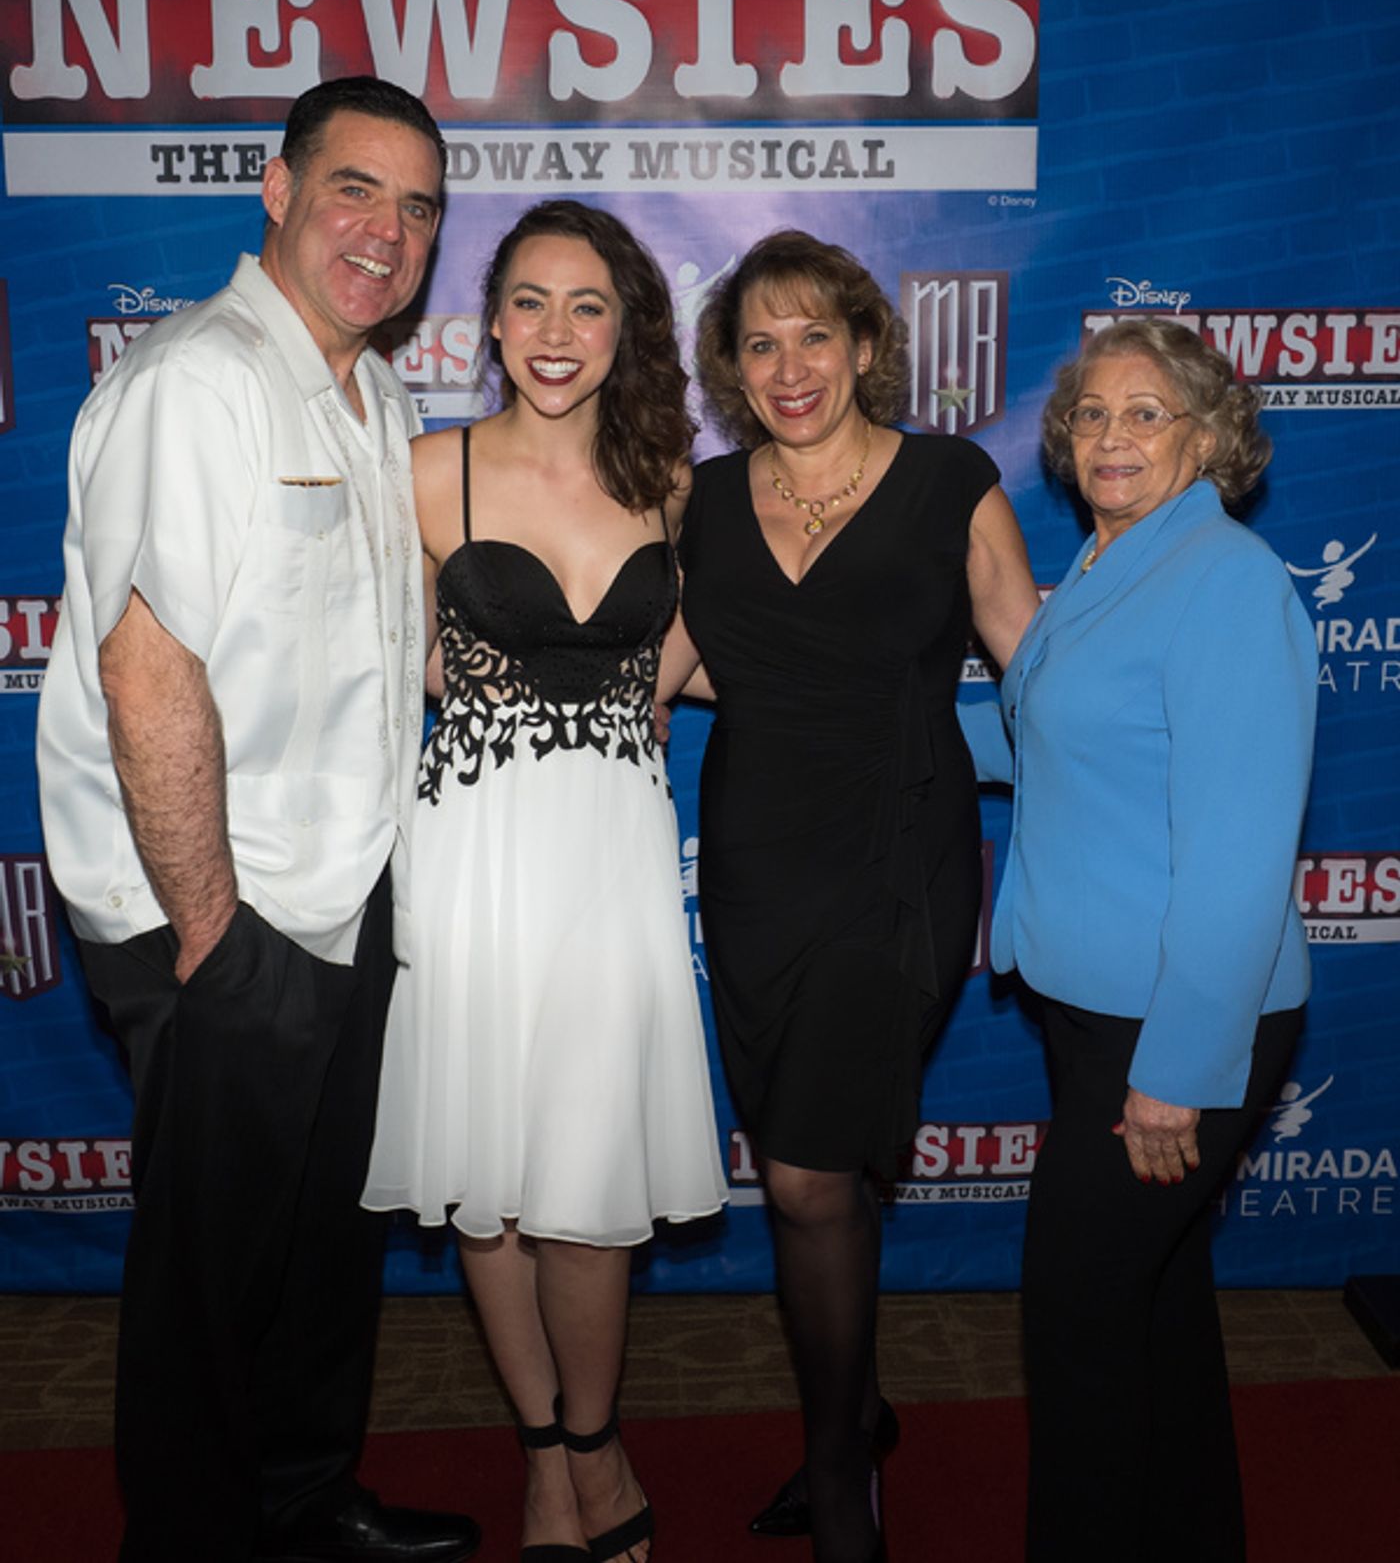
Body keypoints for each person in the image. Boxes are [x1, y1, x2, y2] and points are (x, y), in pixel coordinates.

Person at [35, 78, 482, 1563]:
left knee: (318, 1249)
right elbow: (148, 665)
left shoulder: (374, 389)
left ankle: (303, 1498)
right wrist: (216, 937)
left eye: (418, 207)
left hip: (343, 897)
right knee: (210, 1283)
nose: (387, 231)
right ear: (279, 193)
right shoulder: (199, 381)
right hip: (221, 914)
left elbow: (352, 635)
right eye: (356, 189)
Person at [662, 229, 1041, 1563]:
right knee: (795, 1160)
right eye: (759, 342)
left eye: (814, 332)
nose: (790, 363)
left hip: (901, 857)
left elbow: (1031, 663)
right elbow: (653, 674)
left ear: (867, 345)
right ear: (732, 369)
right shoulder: (705, 504)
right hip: (759, 867)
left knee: (811, 1175)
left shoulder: (950, 479)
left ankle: (839, 1479)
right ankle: (861, 1410)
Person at [363, 200, 727, 1563]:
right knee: (495, 1182)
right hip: (474, 849)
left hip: (614, 855)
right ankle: (544, 1453)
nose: (554, 333)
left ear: (627, 324)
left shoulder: (674, 482)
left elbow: (696, 645)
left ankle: (597, 1437)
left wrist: (635, 702)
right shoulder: (424, 471)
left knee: (586, 1187)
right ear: (489, 319)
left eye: (586, 305)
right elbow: (376, 652)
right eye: (528, 301)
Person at [983, 317, 1315, 1561]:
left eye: (1144, 413)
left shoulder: (1223, 583)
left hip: (1174, 1027)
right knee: (1153, 1307)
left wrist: (1174, 1072)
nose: (1109, 437)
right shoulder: (1110, 563)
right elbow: (1047, 740)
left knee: (1074, 1320)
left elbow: (1238, 853)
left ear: (1208, 435)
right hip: (1094, 1010)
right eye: (1088, 414)